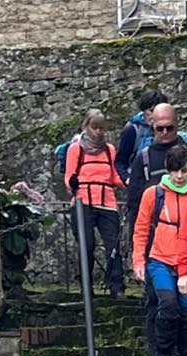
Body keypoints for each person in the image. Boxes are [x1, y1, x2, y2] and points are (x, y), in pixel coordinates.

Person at [131, 142, 187, 356]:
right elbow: (141, 228)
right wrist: (138, 260)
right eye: (175, 171)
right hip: (160, 260)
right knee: (168, 304)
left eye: (184, 171)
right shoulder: (154, 194)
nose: (180, 177)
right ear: (167, 170)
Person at [63, 109, 125, 298]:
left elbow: (114, 176)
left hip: (107, 202)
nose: (98, 131)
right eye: (94, 127)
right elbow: (69, 176)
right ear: (86, 126)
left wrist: (129, 183)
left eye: (101, 128)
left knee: (113, 245)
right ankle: (86, 287)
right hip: (84, 202)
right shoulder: (76, 148)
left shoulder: (109, 150)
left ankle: (117, 286)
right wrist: (72, 182)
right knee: (87, 245)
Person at [115, 88, 163, 184]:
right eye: (151, 111)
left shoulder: (168, 129)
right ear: (143, 111)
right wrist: (128, 179)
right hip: (139, 184)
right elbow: (120, 161)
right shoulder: (132, 130)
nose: (154, 115)